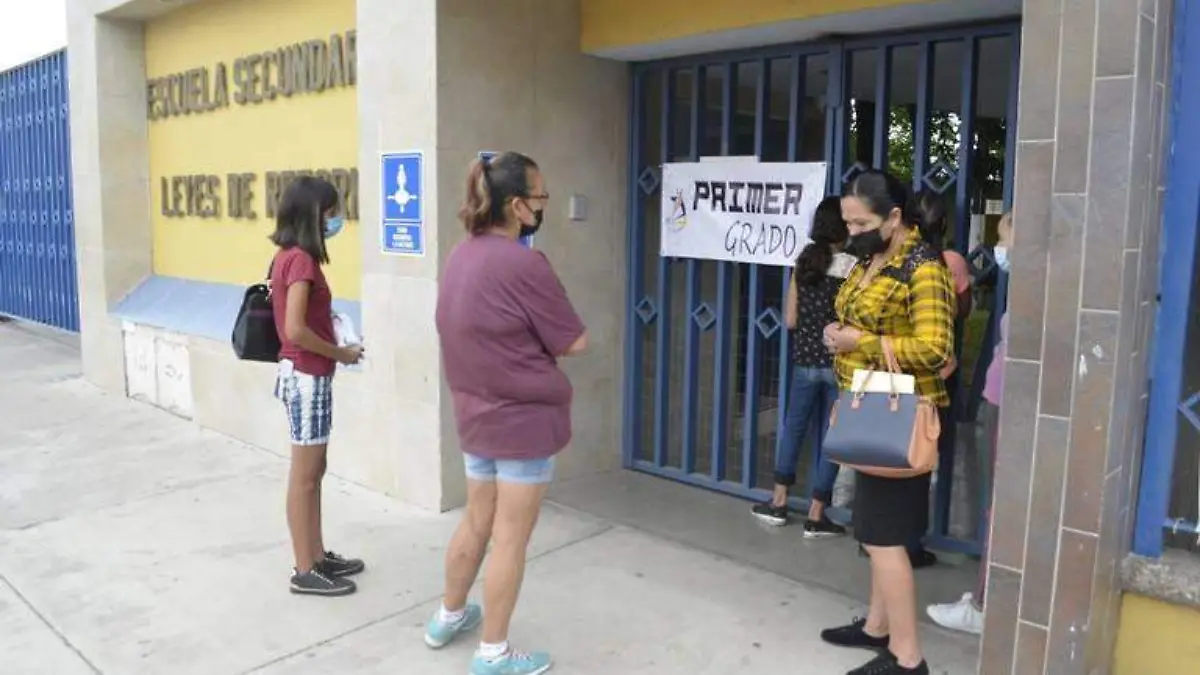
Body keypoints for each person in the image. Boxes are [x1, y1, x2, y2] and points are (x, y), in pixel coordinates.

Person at [428, 152, 587, 675]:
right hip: (522, 422)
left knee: (477, 520)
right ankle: (493, 653)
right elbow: (575, 339)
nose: (543, 206)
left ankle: (448, 616)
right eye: (539, 198)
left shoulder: (460, 256)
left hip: (475, 416)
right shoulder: (524, 262)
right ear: (517, 205)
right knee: (510, 539)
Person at [820, 169, 955, 675]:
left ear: (894, 217)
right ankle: (878, 627)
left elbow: (937, 348)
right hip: (867, 407)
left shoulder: (924, 267)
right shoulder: (871, 260)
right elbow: (857, 317)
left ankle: (907, 657)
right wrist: (839, 331)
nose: (851, 233)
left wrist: (864, 343)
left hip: (900, 416)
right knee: (874, 531)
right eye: (848, 223)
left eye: (861, 223)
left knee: (882, 536)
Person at [269, 176, 365, 597]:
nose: (336, 219)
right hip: (307, 373)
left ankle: (317, 555)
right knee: (305, 475)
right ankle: (305, 567)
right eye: (331, 212)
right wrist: (340, 352)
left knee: (313, 471)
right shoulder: (302, 262)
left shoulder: (287, 257)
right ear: (313, 215)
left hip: (306, 373)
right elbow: (295, 329)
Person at [926, 211, 1013, 635]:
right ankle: (983, 596)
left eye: (1005, 240)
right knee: (993, 501)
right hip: (994, 400)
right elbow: (964, 308)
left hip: (1004, 405)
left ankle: (983, 605)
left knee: (998, 505)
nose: (1001, 251)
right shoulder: (952, 263)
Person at [752, 196, 852, 538]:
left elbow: (790, 320)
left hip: (805, 361)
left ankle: (778, 503)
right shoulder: (853, 266)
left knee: (794, 429)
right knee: (833, 435)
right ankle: (816, 514)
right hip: (840, 363)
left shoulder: (804, 262)